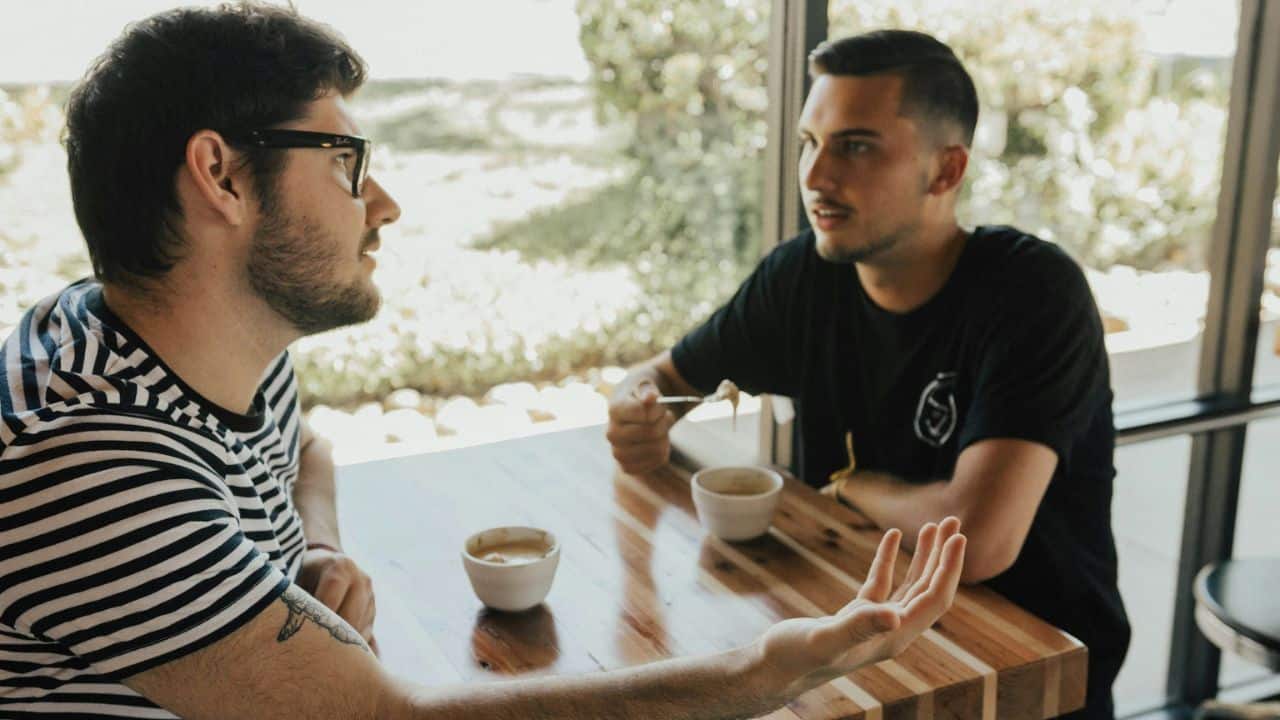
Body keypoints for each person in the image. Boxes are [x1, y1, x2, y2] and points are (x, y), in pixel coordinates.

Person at [0, 5, 967, 718]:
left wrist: (316, 547)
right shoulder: (87, 461)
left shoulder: (139, 335)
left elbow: (306, 446)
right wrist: (764, 671)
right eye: (344, 160)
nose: (381, 203)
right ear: (219, 176)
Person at [607, 29, 1130, 720]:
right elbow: (659, 378)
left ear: (945, 172)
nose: (817, 176)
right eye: (809, 143)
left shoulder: (1032, 293)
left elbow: (972, 540)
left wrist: (855, 488)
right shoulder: (802, 277)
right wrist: (635, 413)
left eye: (855, 146)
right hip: (860, 644)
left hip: (1026, 675)